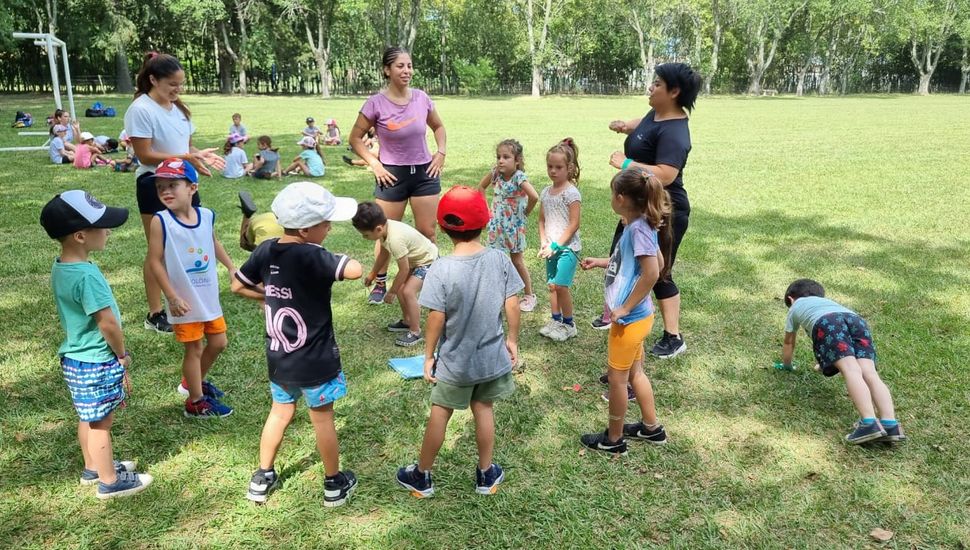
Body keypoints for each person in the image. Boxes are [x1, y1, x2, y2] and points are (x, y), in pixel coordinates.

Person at [232, 181, 362, 507]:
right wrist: (337, 257)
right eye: (325, 222)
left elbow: (237, 285)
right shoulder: (313, 254)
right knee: (323, 418)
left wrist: (267, 295)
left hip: (280, 360)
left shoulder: (265, 249)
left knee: (279, 412)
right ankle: (334, 483)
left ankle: (263, 476)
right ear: (305, 230)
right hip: (316, 362)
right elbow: (355, 270)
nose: (330, 227)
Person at [395, 186, 522, 498]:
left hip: (455, 361)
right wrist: (513, 340)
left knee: (441, 412)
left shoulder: (440, 268)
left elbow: (436, 318)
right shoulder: (500, 259)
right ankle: (485, 474)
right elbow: (513, 304)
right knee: (484, 408)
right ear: (487, 222)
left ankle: (422, 476)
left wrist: (428, 356)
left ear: (441, 227)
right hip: (491, 357)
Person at [40, 190, 154, 499]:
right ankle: (109, 481)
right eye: (101, 226)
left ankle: (93, 467)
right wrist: (121, 354)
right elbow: (107, 323)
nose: (107, 231)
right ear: (80, 235)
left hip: (75, 358)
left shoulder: (61, 266)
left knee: (87, 415)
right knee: (101, 423)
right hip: (96, 358)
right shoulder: (87, 276)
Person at [598, 63, 702, 361]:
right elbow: (643, 126)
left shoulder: (676, 133)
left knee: (657, 271)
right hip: (637, 206)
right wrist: (625, 125)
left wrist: (627, 164)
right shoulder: (656, 114)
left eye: (657, 84)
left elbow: (666, 174)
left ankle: (673, 336)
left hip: (664, 210)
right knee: (622, 258)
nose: (650, 87)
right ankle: (618, 312)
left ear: (674, 92)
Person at [124, 52, 225, 333]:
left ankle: (191, 299)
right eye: (172, 85)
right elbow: (145, 155)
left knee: (196, 238)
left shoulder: (179, 109)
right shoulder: (140, 109)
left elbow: (185, 147)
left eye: (180, 85)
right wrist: (185, 157)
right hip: (155, 184)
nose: (177, 90)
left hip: (185, 182)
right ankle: (156, 313)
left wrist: (197, 156)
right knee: (159, 248)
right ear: (153, 79)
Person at [578, 170, 671, 454]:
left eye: (611, 194)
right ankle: (651, 428)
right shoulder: (641, 225)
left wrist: (625, 307)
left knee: (618, 381)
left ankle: (614, 439)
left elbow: (653, 271)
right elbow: (650, 260)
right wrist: (602, 262)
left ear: (620, 198)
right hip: (639, 317)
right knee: (635, 373)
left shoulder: (638, 229)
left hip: (630, 319)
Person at [349, 46, 447, 305]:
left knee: (428, 232)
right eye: (400, 66)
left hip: (425, 172)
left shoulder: (422, 98)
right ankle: (380, 282)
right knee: (383, 233)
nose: (407, 71)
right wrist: (374, 163)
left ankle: (423, 282)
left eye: (409, 66)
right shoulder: (375, 103)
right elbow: (355, 138)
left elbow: (438, 126)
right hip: (391, 175)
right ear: (386, 70)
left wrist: (441, 152)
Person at [147, 159, 236, 418]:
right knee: (194, 348)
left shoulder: (206, 215)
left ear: (192, 188)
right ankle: (195, 402)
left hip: (208, 297)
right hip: (183, 301)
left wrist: (231, 267)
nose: (165, 191)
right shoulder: (160, 221)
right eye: (160, 187)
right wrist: (171, 297)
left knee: (219, 342)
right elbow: (154, 261)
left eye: (173, 185)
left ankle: (191, 381)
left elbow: (213, 241)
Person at [780, 279, 905, 444]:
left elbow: (789, 342)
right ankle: (890, 423)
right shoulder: (829, 303)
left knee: (851, 370)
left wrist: (787, 365)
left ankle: (869, 423)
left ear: (790, 299)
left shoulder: (796, 306)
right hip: (857, 321)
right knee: (869, 373)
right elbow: (839, 345)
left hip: (828, 323)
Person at [352, 201, 438, 347]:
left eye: (365, 235)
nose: (364, 238)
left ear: (378, 229)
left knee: (407, 291)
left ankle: (415, 331)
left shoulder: (395, 239)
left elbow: (403, 270)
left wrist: (391, 291)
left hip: (429, 261)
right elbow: (383, 255)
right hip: (416, 261)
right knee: (401, 289)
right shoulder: (386, 230)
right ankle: (407, 321)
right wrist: (372, 274)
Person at [479, 139, 540, 312]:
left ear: (517, 160)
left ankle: (529, 295)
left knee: (517, 260)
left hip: (513, 226)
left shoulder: (519, 177)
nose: (500, 160)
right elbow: (481, 188)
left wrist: (525, 212)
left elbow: (534, 196)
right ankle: (495, 294)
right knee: (494, 259)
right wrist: (486, 210)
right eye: (499, 156)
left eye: (506, 157)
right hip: (496, 225)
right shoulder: (495, 174)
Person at [537, 138, 582, 342]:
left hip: (567, 248)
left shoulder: (571, 193)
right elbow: (541, 219)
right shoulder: (546, 192)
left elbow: (574, 224)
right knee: (552, 286)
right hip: (551, 248)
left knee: (561, 285)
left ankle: (569, 324)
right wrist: (544, 242)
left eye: (558, 167)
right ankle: (555, 320)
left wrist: (556, 245)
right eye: (550, 166)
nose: (553, 171)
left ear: (569, 168)